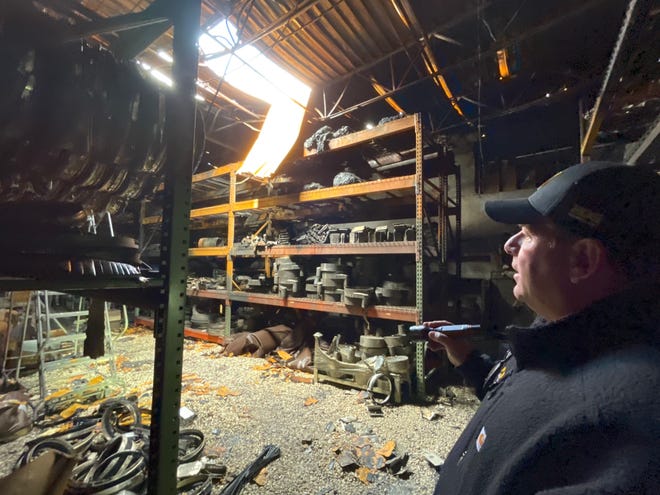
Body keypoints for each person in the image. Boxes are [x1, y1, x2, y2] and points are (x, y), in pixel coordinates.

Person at [428, 161, 660, 494]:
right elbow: (520, 393)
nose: (510, 245)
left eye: (528, 233)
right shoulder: (563, 335)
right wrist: (466, 358)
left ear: (582, 261)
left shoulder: (623, 430)